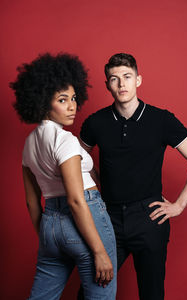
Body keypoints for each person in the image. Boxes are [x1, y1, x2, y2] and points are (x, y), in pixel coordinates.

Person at [78, 53, 187, 300]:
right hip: (108, 218)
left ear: (138, 80)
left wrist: (179, 205)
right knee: (92, 291)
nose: (122, 84)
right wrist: (101, 183)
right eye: (114, 79)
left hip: (150, 217)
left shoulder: (161, 120)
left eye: (127, 77)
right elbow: (76, 160)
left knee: (152, 294)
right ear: (107, 85)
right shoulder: (96, 122)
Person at [10, 53, 117, 300]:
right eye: (62, 99)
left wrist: (49, 235)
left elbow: (31, 201)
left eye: (73, 98)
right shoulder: (65, 140)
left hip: (49, 225)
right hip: (84, 219)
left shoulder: (29, 144)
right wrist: (100, 252)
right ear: (43, 102)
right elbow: (76, 200)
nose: (72, 106)